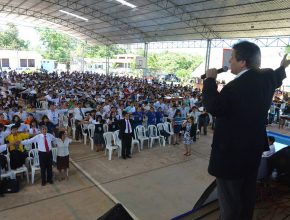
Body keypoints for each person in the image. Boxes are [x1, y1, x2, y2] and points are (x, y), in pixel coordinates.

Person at [202, 41, 290, 220]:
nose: (230, 62)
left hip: (230, 156)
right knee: (246, 198)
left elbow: (213, 106)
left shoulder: (234, 88)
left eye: (232, 58)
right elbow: (277, 76)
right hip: (252, 152)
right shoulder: (266, 78)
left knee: (230, 205)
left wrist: (210, 80)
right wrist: (282, 66)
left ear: (243, 62)